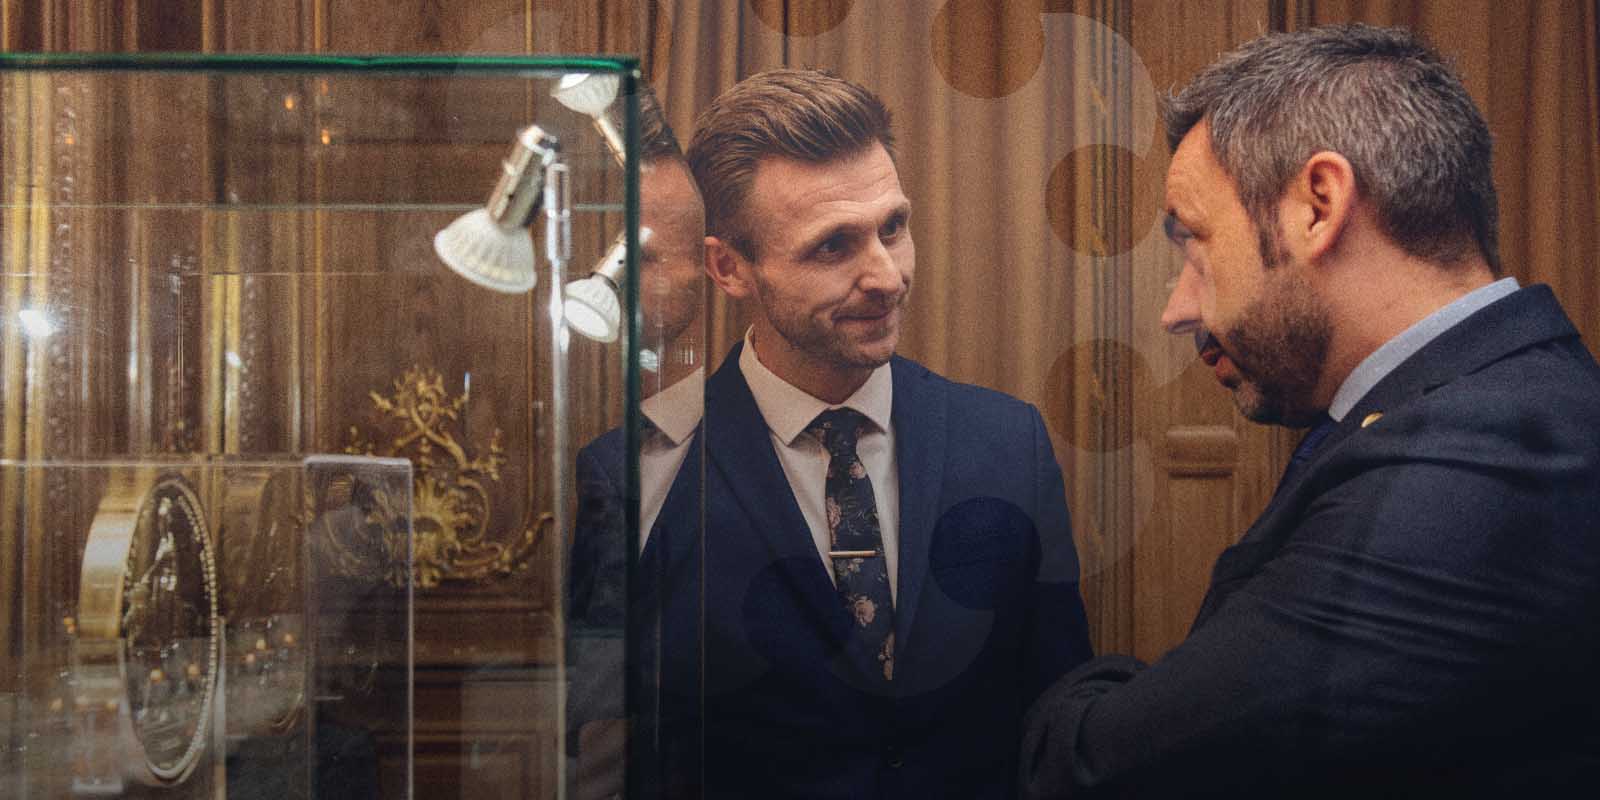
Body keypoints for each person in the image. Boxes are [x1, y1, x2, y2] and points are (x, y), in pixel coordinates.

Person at [1019, 24, 1600, 798]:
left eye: (1194, 242)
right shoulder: (1498, 401)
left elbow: (1101, 768)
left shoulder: (1477, 463)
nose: (1177, 308)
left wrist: (1081, 697)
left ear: (1318, 206)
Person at [645, 67, 1092, 798]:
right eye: (833, 246)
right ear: (728, 268)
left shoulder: (1011, 444)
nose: (886, 275)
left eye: (894, 227)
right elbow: (622, 750)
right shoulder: (641, 469)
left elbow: (1061, 713)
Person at [565, 85, 708, 800]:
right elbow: (595, 690)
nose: (615, 277)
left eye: (643, 257)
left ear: (717, 268)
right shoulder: (614, 464)